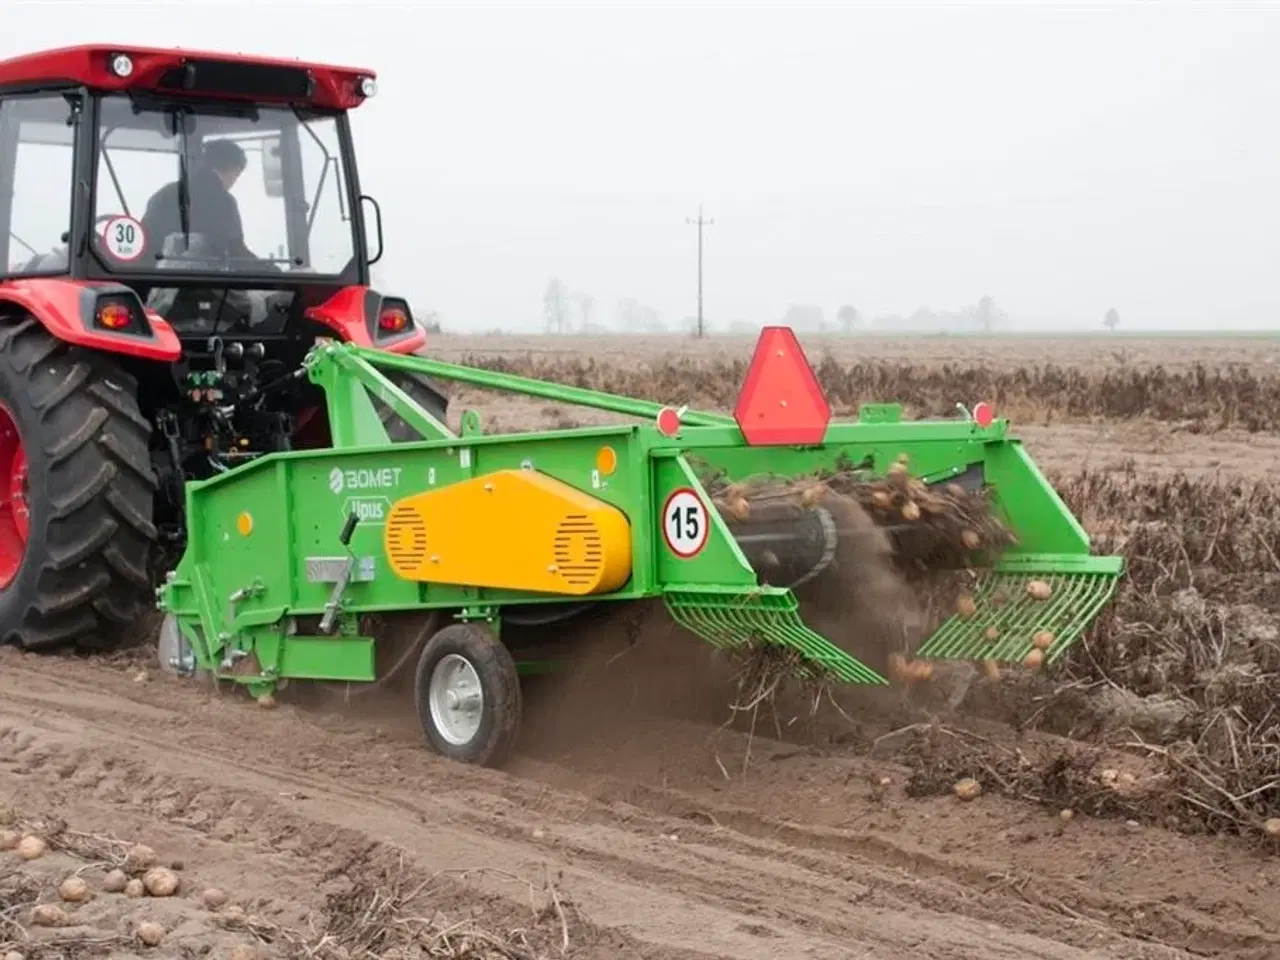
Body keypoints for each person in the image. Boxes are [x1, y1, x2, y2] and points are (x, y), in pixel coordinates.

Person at [140, 138, 257, 264]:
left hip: (156, 278)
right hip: (205, 280)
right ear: (232, 169)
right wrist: (273, 272)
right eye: (237, 175)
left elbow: (143, 241)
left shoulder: (164, 195)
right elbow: (235, 251)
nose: (234, 182)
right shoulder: (223, 202)